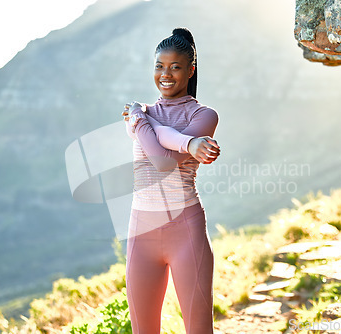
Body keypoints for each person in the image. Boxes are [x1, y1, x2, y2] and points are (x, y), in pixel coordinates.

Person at [122, 27, 220, 334]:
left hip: (184, 230)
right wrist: (186, 143)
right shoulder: (142, 115)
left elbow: (161, 161)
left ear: (190, 71)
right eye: (159, 66)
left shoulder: (203, 116)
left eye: (175, 67)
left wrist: (140, 120)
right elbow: (162, 137)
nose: (166, 74)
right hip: (141, 230)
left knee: (198, 328)